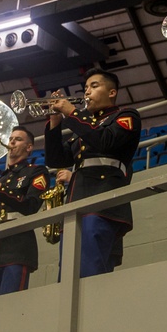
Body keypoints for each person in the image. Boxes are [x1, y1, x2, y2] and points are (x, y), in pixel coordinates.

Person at [44, 68, 141, 277]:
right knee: (67, 272)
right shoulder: (85, 126)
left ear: (112, 92)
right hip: (76, 201)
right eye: (85, 88)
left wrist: (72, 113)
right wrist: (54, 124)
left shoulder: (125, 116)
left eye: (94, 86)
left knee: (91, 269)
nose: (87, 92)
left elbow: (105, 141)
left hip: (102, 200)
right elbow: (55, 159)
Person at [0, 126, 49, 297]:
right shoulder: (0, 178)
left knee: (12, 306)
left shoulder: (36, 171)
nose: (12, 142)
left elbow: (31, 206)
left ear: (29, 147)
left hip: (18, 249)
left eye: (18, 139)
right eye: (10, 139)